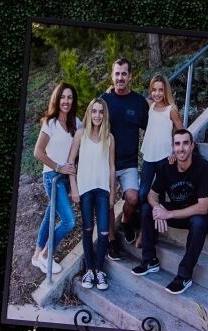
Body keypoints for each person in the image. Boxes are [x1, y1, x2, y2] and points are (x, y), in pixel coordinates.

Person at [131, 129, 208, 295]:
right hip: (180, 213)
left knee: (198, 222)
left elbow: (203, 207)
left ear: (192, 146)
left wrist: (168, 214)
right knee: (147, 208)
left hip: (203, 217)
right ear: (173, 147)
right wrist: (157, 208)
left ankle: (184, 275)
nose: (181, 148)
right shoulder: (167, 167)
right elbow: (152, 195)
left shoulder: (203, 167)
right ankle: (149, 260)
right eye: (177, 144)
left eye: (185, 143)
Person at [101, 58, 149, 260]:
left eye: (124, 74)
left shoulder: (138, 102)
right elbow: (90, 129)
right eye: (117, 73)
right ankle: (112, 240)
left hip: (129, 163)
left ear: (130, 76)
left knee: (133, 197)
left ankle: (127, 220)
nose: (120, 78)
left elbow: (151, 128)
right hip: (106, 163)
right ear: (113, 75)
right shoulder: (103, 100)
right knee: (108, 203)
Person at [67, 96, 116, 291]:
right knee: (87, 229)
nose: (97, 115)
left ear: (105, 114)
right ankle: (89, 270)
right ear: (89, 113)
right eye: (94, 111)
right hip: (85, 189)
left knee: (104, 231)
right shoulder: (80, 135)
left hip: (103, 189)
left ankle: (99, 269)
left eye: (101, 111)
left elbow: (112, 167)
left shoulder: (109, 138)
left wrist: (113, 192)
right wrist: (74, 187)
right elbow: (71, 162)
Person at [30, 82, 77, 275]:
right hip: (52, 177)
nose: (66, 101)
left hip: (65, 178)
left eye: (69, 97)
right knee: (68, 221)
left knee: (51, 214)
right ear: (57, 99)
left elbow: (93, 121)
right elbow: (38, 152)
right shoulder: (50, 123)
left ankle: (35, 256)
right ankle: (45, 253)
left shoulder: (76, 123)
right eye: (63, 97)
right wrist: (58, 167)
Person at [139, 74, 182, 202]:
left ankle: (160, 220)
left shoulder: (171, 110)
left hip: (165, 157)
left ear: (166, 91)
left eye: (160, 90)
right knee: (142, 192)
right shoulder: (150, 104)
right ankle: (141, 219)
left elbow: (183, 132)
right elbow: (133, 96)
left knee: (160, 193)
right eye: (154, 90)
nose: (157, 93)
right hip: (149, 156)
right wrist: (112, 88)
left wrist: (175, 151)